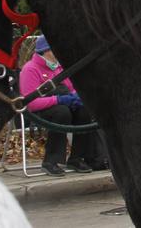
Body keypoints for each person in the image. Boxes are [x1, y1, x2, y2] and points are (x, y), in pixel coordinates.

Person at [19, 35, 108, 176]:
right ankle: (51, 161)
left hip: (61, 105)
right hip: (41, 111)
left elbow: (71, 88)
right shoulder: (30, 69)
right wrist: (59, 100)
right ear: (46, 51)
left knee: (84, 110)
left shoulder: (59, 68)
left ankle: (77, 158)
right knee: (62, 112)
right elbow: (31, 104)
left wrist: (76, 98)